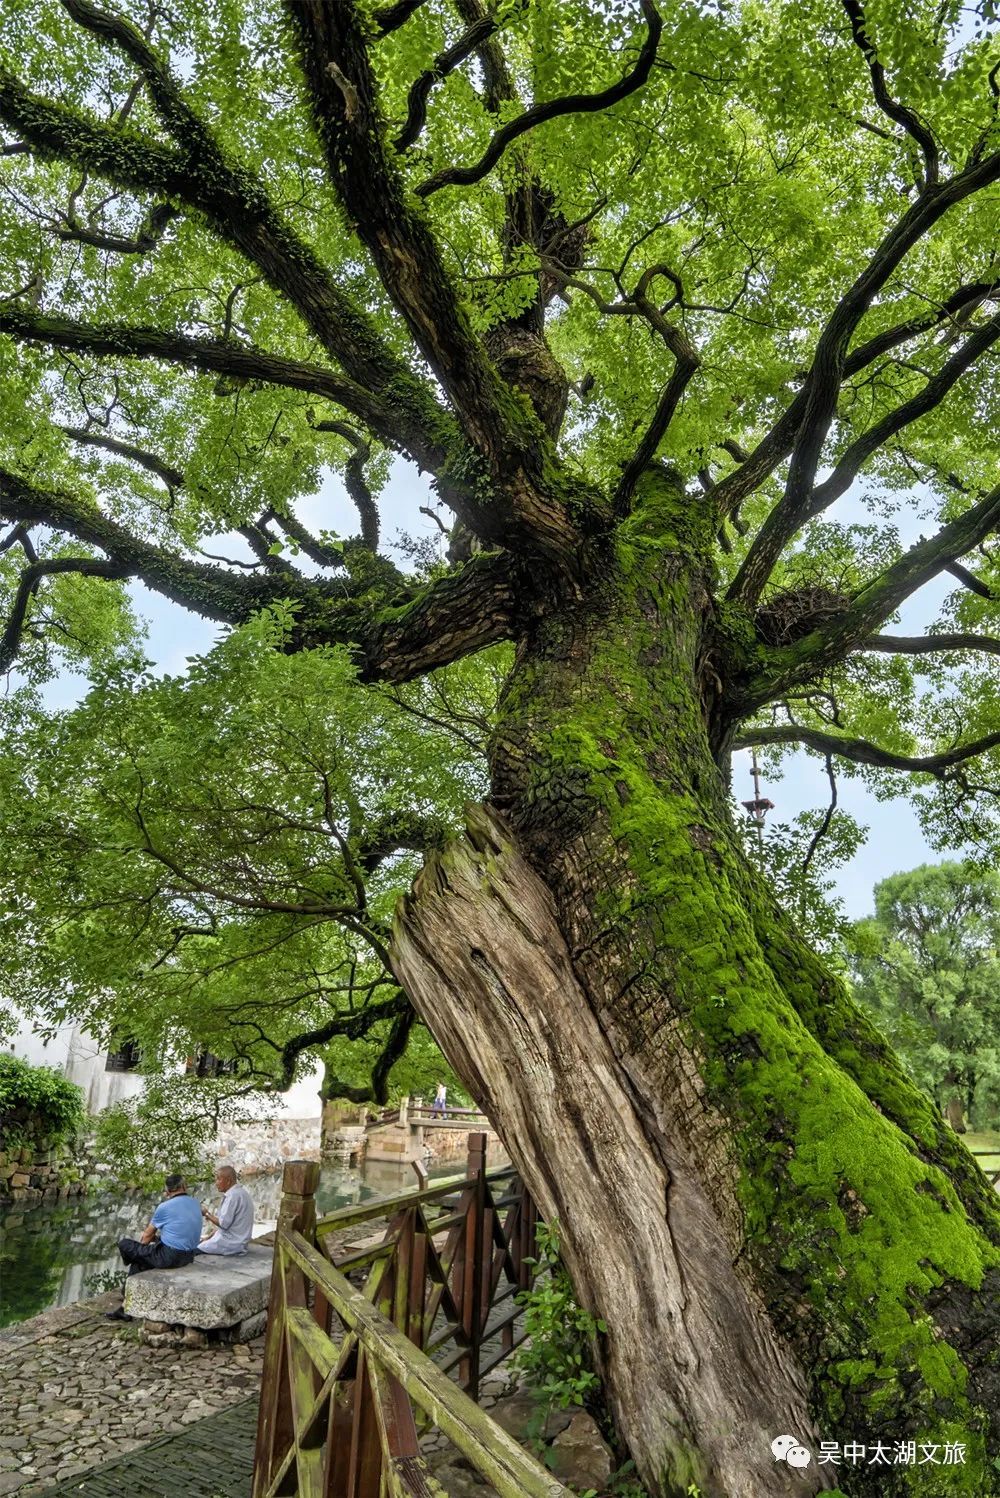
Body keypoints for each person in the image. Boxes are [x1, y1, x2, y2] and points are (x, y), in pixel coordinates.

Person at [105, 1172, 202, 1320]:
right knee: (145, 1254)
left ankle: (127, 1303)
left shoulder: (165, 1206)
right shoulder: (196, 1203)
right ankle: (125, 1306)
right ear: (184, 1186)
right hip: (189, 1255)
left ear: (168, 1190)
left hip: (170, 1256)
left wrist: (138, 1252)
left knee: (126, 1245)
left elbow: (147, 1236)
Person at [197, 1164, 254, 1256]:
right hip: (239, 1242)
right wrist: (208, 1237)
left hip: (230, 1243)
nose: (216, 1183)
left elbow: (223, 1224)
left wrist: (206, 1214)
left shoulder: (232, 1196)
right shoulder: (242, 1193)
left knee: (193, 1251)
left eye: (219, 1179)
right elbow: (224, 1226)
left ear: (228, 1181)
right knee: (201, 1243)